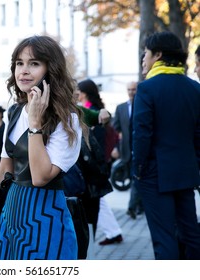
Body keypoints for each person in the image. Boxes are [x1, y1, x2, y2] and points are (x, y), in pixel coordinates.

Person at [0, 35, 85, 260]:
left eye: (34, 63)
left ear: (50, 69)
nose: (23, 70)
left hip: (46, 217)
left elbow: (41, 177)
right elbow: (5, 166)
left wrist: (35, 125)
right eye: (19, 63)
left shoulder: (67, 119)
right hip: (11, 212)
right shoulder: (13, 112)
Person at [132, 31, 200, 259]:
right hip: (186, 172)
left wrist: (138, 170)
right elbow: (198, 135)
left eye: (146, 53)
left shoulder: (147, 88)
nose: (143, 59)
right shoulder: (195, 88)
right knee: (191, 234)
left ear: (158, 55)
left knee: (164, 239)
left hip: (154, 174)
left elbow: (142, 134)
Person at [77, 79, 123, 246]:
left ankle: (113, 232)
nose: (76, 92)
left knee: (95, 201)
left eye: (78, 90)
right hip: (92, 164)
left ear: (84, 93)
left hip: (93, 164)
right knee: (98, 200)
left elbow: (98, 140)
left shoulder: (91, 111)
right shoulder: (89, 109)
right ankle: (114, 231)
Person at [112, 81, 143, 219]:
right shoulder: (121, 108)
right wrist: (116, 147)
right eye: (129, 89)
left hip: (141, 148)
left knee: (136, 178)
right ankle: (138, 206)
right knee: (134, 179)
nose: (131, 92)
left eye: (134, 89)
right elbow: (115, 128)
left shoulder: (143, 105)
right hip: (126, 150)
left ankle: (133, 206)